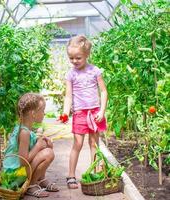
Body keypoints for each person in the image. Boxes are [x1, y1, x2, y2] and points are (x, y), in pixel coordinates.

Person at [61, 35, 108, 189]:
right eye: (71, 58)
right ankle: (71, 175)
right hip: (80, 113)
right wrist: (65, 112)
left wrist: (102, 110)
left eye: (78, 58)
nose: (74, 61)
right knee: (78, 143)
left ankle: (96, 173)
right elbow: (68, 95)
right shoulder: (71, 74)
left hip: (95, 112)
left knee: (94, 143)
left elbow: (103, 92)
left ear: (87, 55)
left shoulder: (95, 71)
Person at [3, 93, 59, 198]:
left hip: (17, 173)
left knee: (47, 149)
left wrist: (44, 143)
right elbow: (23, 161)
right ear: (33, 113)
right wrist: (38, 146)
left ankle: (41, 179)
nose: (44, 113)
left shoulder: (24, 129)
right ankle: (31, 185)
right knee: (48, 153)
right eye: (42, 110)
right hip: (13, 178)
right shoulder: (24, 133)